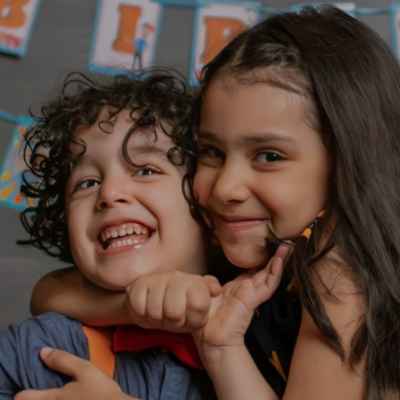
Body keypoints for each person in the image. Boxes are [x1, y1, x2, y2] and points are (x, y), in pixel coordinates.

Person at [17, 4, 400, 399]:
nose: (225, 188)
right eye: (212, 153)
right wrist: (140, 307)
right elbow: (49, 292)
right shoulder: (253, 248)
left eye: (269, 156)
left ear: (347, 162)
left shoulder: (337, 272)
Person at [2, 70, 286, 400]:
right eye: (87, 183)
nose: (109, 193)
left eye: (146, 170)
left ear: (209, 211)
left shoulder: (267, 339)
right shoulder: (45, 347)